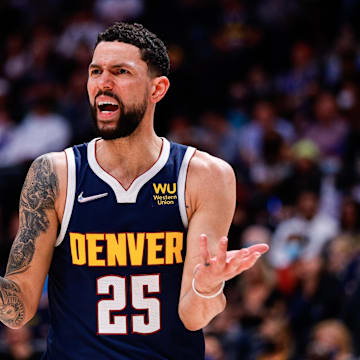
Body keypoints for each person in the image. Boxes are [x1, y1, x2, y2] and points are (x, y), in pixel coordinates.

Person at [0, 22, 268, 359]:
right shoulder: (54, 174)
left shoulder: (205, 176)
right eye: (95, 71)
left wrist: (208, 285)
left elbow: (194, 313)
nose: (103, 83)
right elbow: (17, 311)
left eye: (120, 71)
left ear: (157, 89)